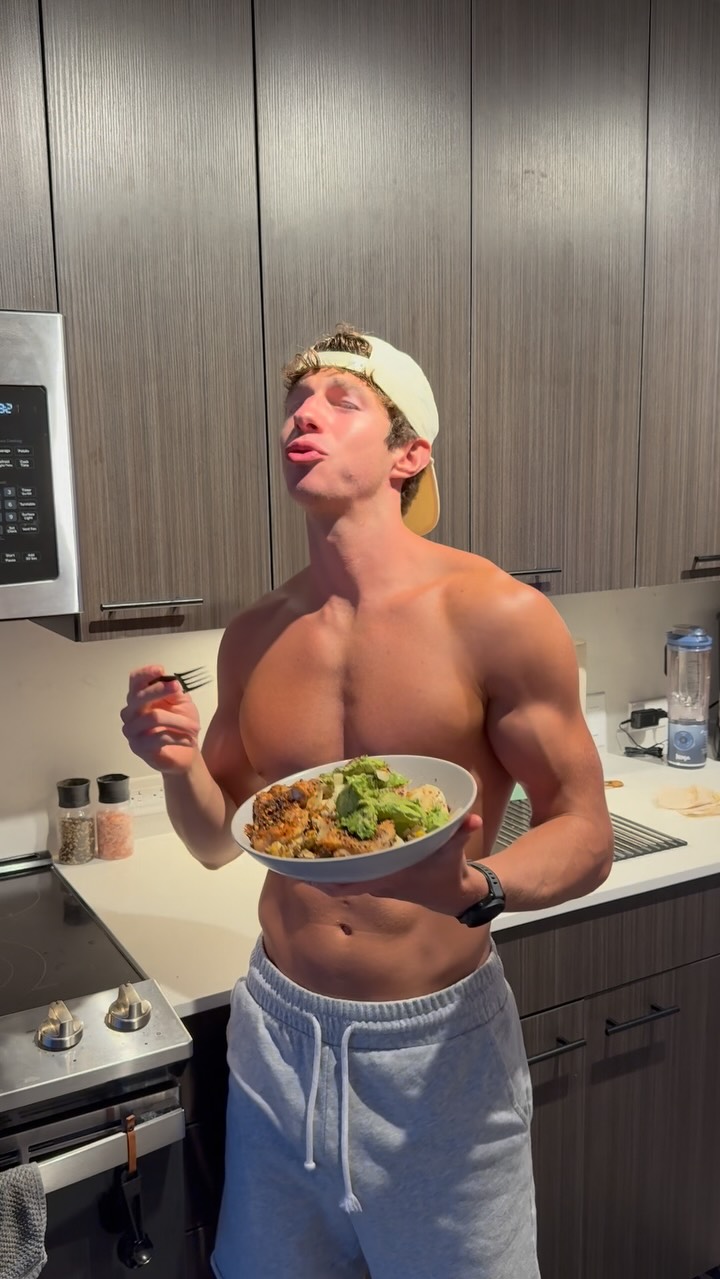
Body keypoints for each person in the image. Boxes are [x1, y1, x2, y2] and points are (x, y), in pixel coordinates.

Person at [122, 325, 613, 1279]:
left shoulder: (497, 615)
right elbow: (218, 840)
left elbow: (585, 831)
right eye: (296, 402)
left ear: (408, 453)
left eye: (341, 400)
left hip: (434, 1056)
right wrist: (178, 763)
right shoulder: (257, 633)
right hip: (279, 1043)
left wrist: (479, 887)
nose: (302, 416)